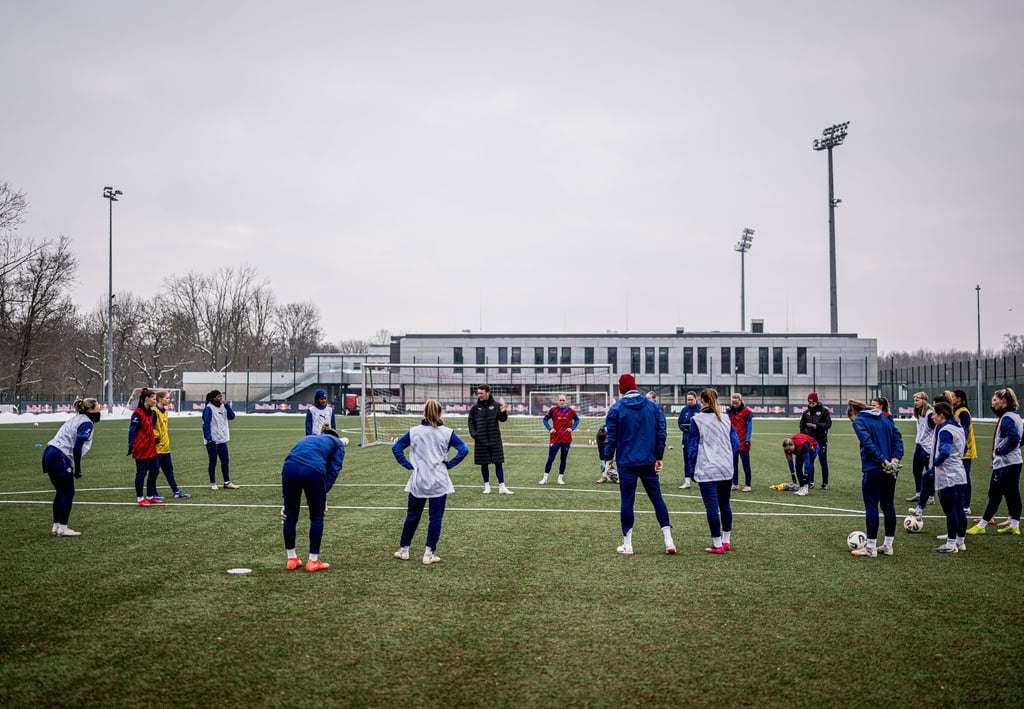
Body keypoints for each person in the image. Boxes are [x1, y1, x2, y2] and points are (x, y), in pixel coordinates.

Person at [603, 374, 675, 555]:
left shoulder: (616, 408)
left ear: (621, 389)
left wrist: (607, 459)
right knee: (657, 498)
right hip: (648, 460)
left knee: (627, 501)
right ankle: (669, 541)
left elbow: (610, 437)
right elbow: (661, 432)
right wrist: (659, 456)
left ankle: (628, 544)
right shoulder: (652, 406)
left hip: (627, 462)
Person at [391, 400, 470, 564]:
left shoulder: (414, 431)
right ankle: (428, 554)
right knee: (435, 518)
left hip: (419, 480)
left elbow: (396, 447)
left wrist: (407, 465)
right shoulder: (447, 432)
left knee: (412, 516)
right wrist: (450, 464)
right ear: (440, 413)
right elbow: (464, 449)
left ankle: (404, 550)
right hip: (439, 481)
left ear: (424, 413)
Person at [281, 423, 346, 572]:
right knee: (317, 517)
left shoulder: (309, 437)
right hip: (312, 471)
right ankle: (313, 561)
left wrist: (285, 500)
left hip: (289, 468)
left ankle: (291, 559)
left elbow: (291, 457)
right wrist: (323, 494)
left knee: (290, 516)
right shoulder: (338, 444)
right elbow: (334, 470)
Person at [848, 399, 904, 557]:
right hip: (891, 469)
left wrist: (882, 460)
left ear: (853, 412)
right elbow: (898, 439)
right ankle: (888, 545)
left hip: (874, 468)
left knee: (871, 506)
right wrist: (895, 460)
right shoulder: (884, 417)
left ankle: (871, 547)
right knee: (888, 505)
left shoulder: (859, 420)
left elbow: (867, 442)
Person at [688, 388, 740, 553]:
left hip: (707, 469)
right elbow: (735, 443)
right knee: (725, 504)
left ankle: (717, 545)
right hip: (726, 468)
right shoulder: (726, 418)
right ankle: (726, 540)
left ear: (701, 401)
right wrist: (726, 458)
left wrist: (691, 470)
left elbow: (692, 448)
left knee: (711, 506)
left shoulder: (697, 419)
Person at [966, 388, 1023, 536]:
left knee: (995, 493)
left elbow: (1014, 438)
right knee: (1012, 493)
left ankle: (982, 525)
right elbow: (1020, 438)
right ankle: (1014, 524)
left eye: (994, 400)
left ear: (1003, 401)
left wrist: (1000, 451)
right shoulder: (1015, 416)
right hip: (1014, 462)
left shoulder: (1007, 418)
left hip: (1006, 463)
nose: (993, 403)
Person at [42, 397, 101, 536]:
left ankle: (56, 526)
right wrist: (78, 468)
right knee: (68, 492)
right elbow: (77, 447)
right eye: (98, 407)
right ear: (90, 409)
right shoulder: (86, 423)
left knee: (60, 492)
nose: (100, 410)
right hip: (59, 456)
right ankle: (63, 527)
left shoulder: (76, 418)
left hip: (49, 453)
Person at [927, 401, 968, 553]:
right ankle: (960, 541)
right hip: (960, 473)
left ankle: (951, 544)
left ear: (942, 415)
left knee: (950, 510)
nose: (932, 417)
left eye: (934, 414)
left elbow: (944, 451)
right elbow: (964, 448)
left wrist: (935, 464)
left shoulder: (945, 430)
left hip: (948, 475)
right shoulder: (958, 427)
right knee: (959, 509)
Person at [467, 384, 512, 494]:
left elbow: (503, 419)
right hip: (481, 440)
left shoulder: (496, 405)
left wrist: (503, 411)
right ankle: (487, 486)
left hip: (494, 439)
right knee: (484, 463)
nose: (479, 395)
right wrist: (474, 434)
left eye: (481, 393)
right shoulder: (475, 408)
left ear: (488, 393)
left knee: (498, 462)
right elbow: (470, 422)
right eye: (478, 393)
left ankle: (502, 487)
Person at [128, 388, 162, 507]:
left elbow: (150, 427)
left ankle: (150, 496)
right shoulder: (137, 413)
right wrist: (131, 445)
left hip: (151, 447)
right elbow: (132, 430)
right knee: (141, 473)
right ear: (146, 399)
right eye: (153, 399)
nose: (155, 401)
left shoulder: (152, 413)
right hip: (141, 448)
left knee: (155, 470)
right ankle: (140, 498)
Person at [153, 390, 189, 499]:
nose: (169, 400)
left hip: (165, 447)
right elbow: (150, 427)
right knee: (154, 472)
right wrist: (155, 438)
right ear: (160, 399)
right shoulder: (154, 411)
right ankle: (153, 493)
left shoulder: (165, 411)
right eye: (167, 398)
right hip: (156, 448)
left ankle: (176, 491)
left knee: (169, 470)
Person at [202, 389, 239, 490]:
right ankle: (213, 483)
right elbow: (205, 424)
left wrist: (227, 405)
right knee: (213, 461)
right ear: (213, 398)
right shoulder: (209, 408)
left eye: (221, 396)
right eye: (219, 397)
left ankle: (227, 482)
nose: (221, 398)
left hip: (222, 439)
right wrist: (208, 438)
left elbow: (232, 417)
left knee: (225, 460)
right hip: (212, 440)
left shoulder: (223, 406)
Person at [948, 389, 978, 514]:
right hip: (959, 451)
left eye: (953, 397)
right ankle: (961, 503)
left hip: (965, 451)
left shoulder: (963, 413)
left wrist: (959, 446)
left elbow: (963, 432)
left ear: (959, 399)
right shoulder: (956, 411)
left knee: (964, 477)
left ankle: (966, 506)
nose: (951, 399)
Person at [540, 393, 579, 485]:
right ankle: (545, 478)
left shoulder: (571, 411)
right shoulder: (553, 410)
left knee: (563, 459)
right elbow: (545, 419)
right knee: (550, 458)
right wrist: (550, 429)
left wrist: (572, 428)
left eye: (563, 400)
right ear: (558, 401)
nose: (561, 402)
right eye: (560, 400)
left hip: (566, 438)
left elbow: (577, 420)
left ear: (566, 401)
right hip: (555, 438)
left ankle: (560, 478)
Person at [799, 392, 832, 489]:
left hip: (821, 440)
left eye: (813, 403)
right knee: (810, 462)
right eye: (809, 403)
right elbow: (802, 425)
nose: (811, 405)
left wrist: (817, 426)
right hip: (810, 442)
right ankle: (810, 482)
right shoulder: (806, 413)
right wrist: (804, 435)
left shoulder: (824, 411)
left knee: (823, 462)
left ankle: (825, 483)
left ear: (817, 402)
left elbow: (828, 424)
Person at [907, 392, 933, 503]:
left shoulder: (930, 414)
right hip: (919, 445)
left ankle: (931, 497)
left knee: (929, 472)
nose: (915, 402)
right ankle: (919, 493)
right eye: (914, 400)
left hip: (927, 447)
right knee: (916, 470)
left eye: (917, 400)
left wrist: (930, 445)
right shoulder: (919, 413)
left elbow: (934, 431)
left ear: (924, 400)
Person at [728, 393, 753, 492]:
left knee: (746, 464)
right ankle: (735, 484)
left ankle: (748, 485)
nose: (734, 404)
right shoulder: (729, 412)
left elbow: (749, 426)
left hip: (743, 441)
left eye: (736, 402)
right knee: (733, 464)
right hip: (733, 442)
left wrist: (747, 440)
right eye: (733, 402)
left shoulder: (747, 412)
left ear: (740, 401)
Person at [677, 391, 701, 489]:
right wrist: (684, 428)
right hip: (686, 438)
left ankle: (701, 481)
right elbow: (680, 422)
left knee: (699, 460)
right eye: (688, 399)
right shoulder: (684, 410)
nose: (690, 401)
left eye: (691, 399)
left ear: (696, 399)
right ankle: (687, 481)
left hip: (697, 439)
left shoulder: (700, 409)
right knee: (686, 459)